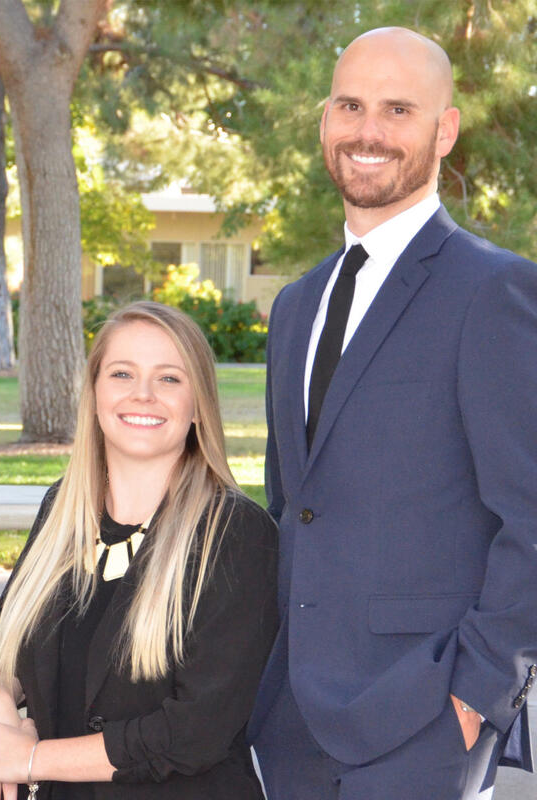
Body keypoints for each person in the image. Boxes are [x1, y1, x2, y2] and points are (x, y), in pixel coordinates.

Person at [249, 26, 537, 800]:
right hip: (291, 724)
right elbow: (291, 505)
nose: (367, 131)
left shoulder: (493, 292)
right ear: (324, 122)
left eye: (398, 109)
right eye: (350, 105)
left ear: (444, 130)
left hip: (424, 721)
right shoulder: (294, 305)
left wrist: (478, 693)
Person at [0, 301, 278, 799]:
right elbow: (6, 647)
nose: (143, 395)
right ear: (94, 393)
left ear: (199, 404)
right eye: (122, 373)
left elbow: (196, 731)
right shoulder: (64, 510)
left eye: (169, 378)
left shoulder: (235, 532)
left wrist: (30, 759)